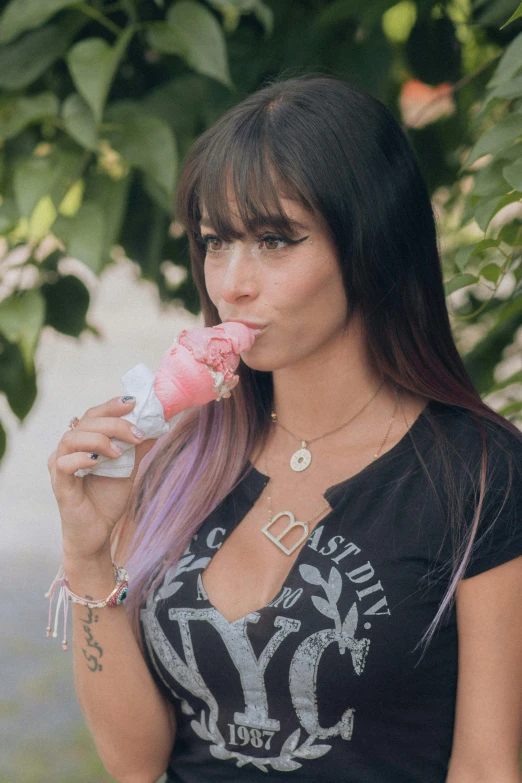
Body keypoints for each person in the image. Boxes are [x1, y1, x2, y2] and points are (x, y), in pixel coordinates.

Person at [47, 73, 522, 783]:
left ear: (370, 244)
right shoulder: (183, 460)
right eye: (215, 241)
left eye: (274, 240)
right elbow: (137, 762)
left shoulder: (478, 473)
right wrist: (89, 558)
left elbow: (486, 765)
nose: (231, 281)